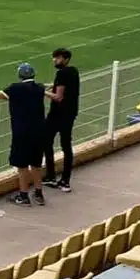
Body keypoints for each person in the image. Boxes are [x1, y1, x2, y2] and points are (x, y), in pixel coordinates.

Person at [0, 63, 47, 206]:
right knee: (36, 164)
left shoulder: (15, 88)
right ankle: (39, 193)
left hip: (21, 132)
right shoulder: (39, 88)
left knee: (22, 166)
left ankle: (23, 196)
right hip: (38, 131)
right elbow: (45, 87)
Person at [42, 48, 81, 192]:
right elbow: (59, 86)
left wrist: (40, 91)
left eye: (57, 58)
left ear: (65, 59)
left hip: (58, 114)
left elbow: (58, 97)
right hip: (70, 113)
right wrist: (46, 86)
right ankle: (65, 180)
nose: (54, 60)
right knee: (66, 145)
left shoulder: (62, 73)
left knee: (46, 141)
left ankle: (51, 176)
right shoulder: (73, 71)